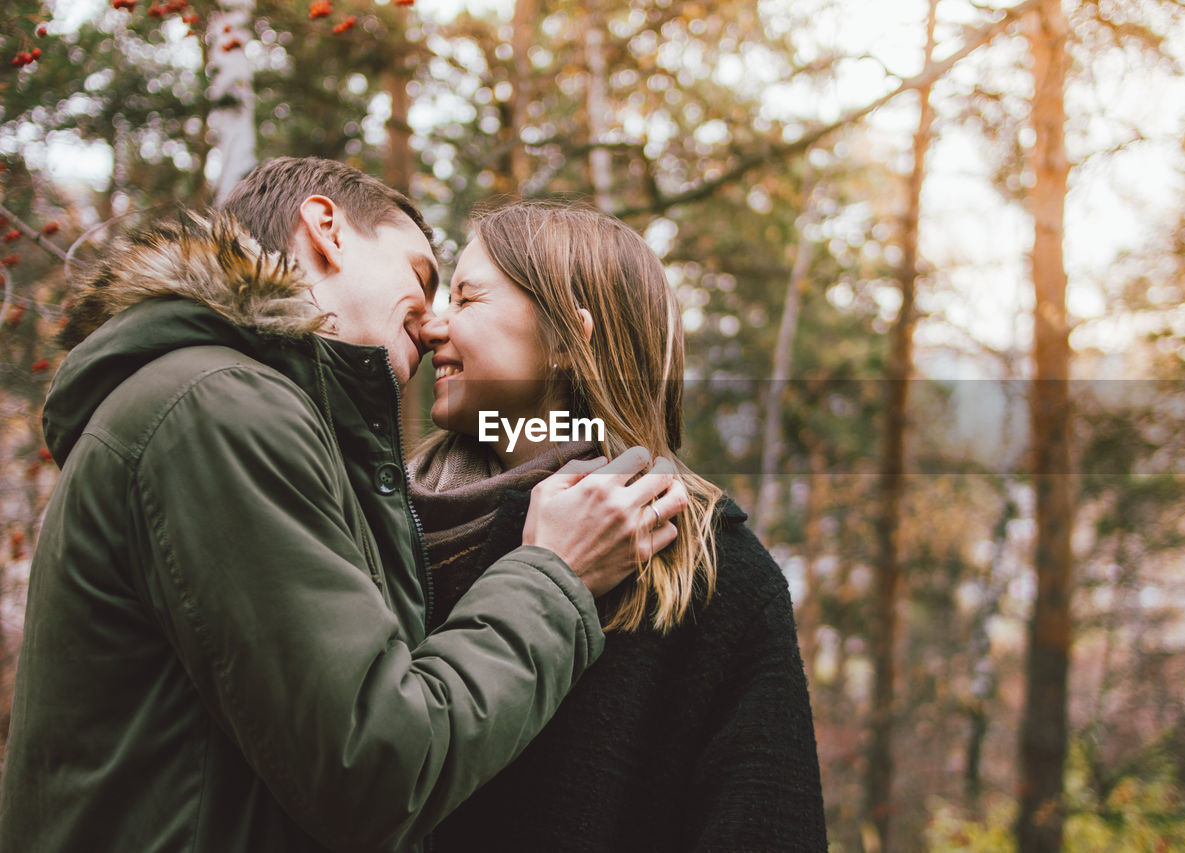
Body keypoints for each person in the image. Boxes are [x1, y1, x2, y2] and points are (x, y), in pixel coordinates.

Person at [0, 158, 688, 853]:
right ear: (325, 228)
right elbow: (376, 765)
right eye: (423, 279)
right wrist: (550, 573)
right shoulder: (220, 407)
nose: (432, 324)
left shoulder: (219, 407)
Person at [408, 199, 827, 851]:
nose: (433, 325)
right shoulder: (382, 523)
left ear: (565, 341)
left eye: (466, 298)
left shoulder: (714, 571)